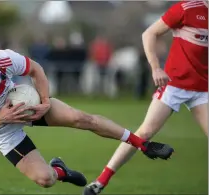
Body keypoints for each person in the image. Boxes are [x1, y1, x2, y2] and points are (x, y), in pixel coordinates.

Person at [0, 41, 174, 189]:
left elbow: (36, 70)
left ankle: (143, 145)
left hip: (24, 104)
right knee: (46, 180)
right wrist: (0, 119)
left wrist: (44, 101)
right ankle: (60, 170)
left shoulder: (3, 58)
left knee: (82, 119)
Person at [83, 1, 208, 194]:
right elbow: (149, 33)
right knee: (144, 133)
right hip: (174, 86)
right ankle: (100, 182)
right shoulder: (186, 9)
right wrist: (155, 67)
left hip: (202, 89)